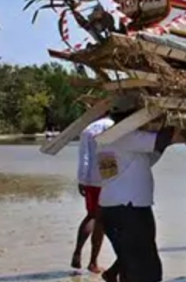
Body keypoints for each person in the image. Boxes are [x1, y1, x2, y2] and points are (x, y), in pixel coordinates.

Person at [97, 99, 186, 282]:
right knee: (147, 271)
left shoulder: (110, 138)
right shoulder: (124, 135)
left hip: (116, 207)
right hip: (128, 209)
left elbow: (147, 159)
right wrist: (175, 118)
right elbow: (162, 139)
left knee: (132, 265)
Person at [72, 115, 114, 274]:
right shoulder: (115, 126)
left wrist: (82, 179)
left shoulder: (89, 129)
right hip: (108, 177)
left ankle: (78, 252)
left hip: (91, 179)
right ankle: (93, 262)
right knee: (101, 220)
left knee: (91, 215)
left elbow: (84, 157)